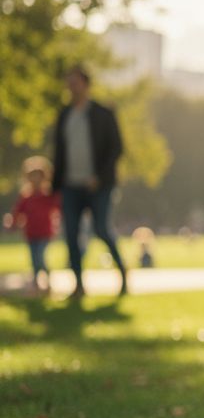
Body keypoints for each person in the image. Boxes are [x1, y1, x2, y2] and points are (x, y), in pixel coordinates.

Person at [51, 65, 129, 298]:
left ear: (86, 85)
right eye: (69, 83)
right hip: (70, 185)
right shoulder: (65, 115)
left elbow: (116, 148)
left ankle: (123, 272)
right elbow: (59, 151)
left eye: (75, 83)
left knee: (102, 229)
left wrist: (100, 177)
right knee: (71, 234)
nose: (71, 88)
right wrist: (56, 184)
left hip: (99, 185)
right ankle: (78, 285)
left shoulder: (103, 113)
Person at [7, 156, 62, 294]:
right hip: (31, 233)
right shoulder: (26, 197)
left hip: (45, 232)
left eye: (38, 176)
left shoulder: (48, 196)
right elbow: (17, 212)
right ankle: (37, 283)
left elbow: (59, 208)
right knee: (34, 259)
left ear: (44, 178)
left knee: (39, 257)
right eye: (32, 177)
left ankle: (47, 279)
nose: (35, 180)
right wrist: (12, 224)